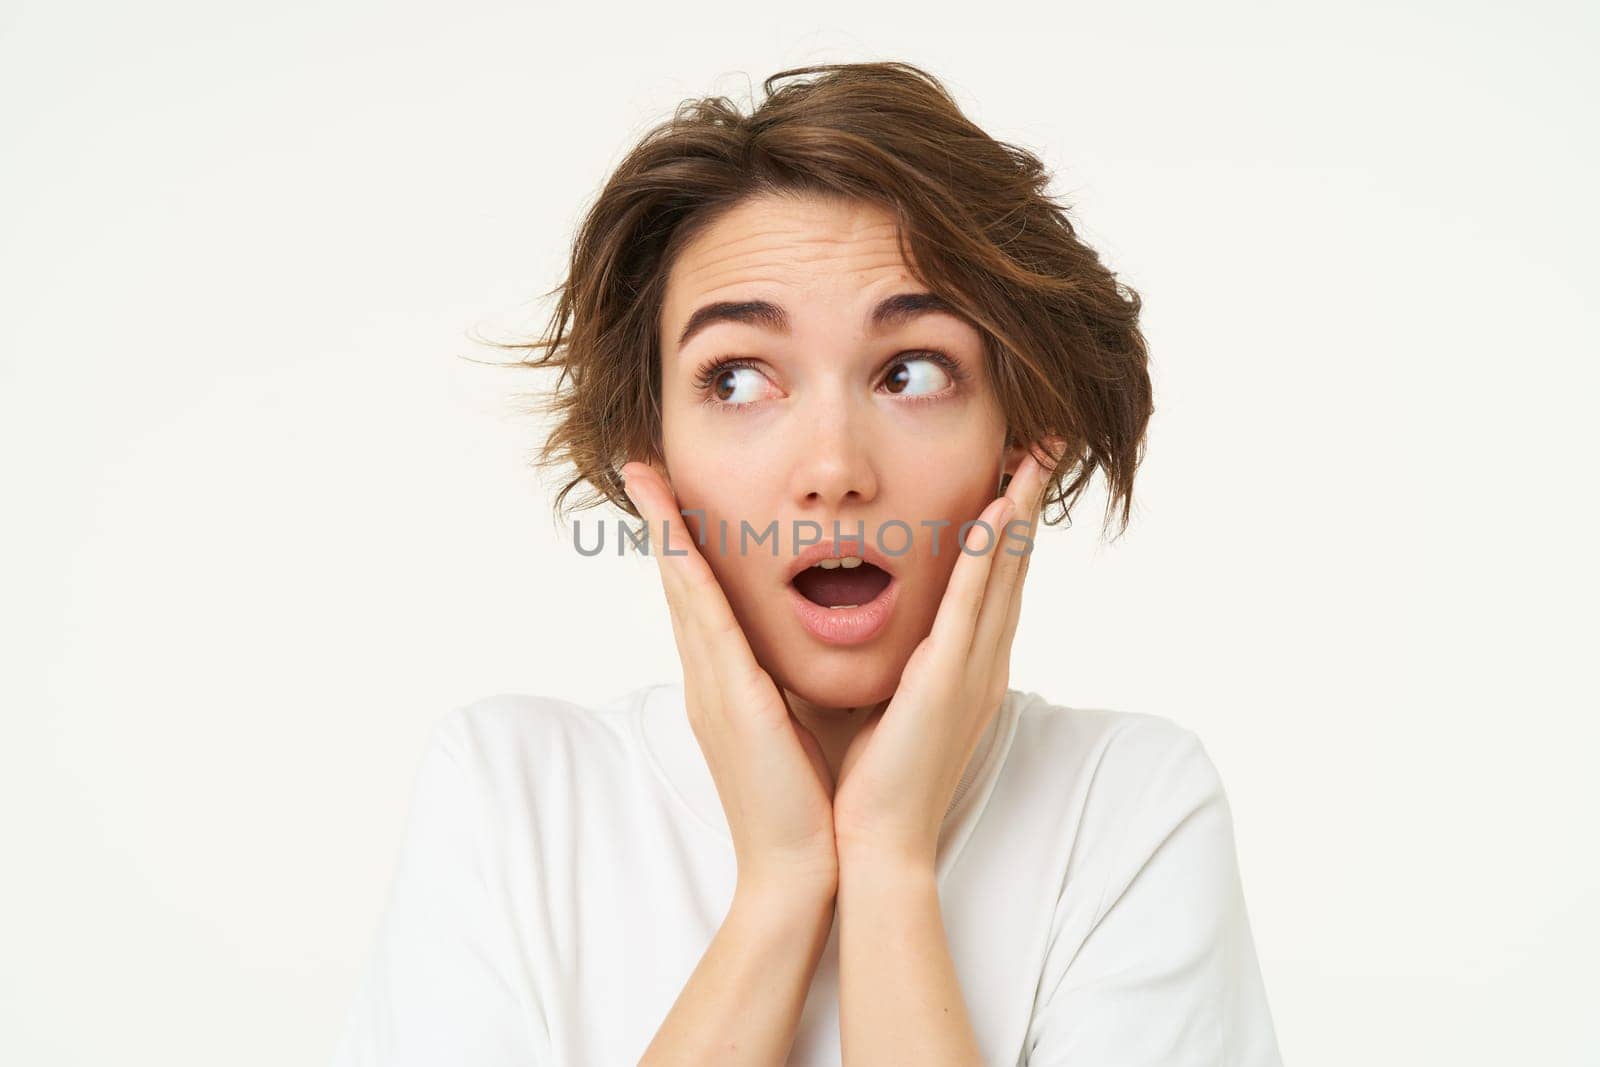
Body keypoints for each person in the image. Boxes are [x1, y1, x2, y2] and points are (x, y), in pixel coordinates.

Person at [330, 61, 1283, 1066]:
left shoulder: (1127, 805)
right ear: (651, 455)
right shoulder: (510, 795)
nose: (832, 470)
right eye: (737, 378)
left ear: (1016, 441)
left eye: (911, 372)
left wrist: (888, 864)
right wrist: (780, 886)